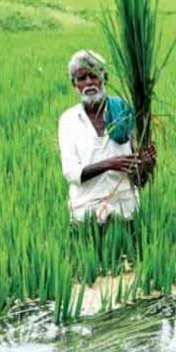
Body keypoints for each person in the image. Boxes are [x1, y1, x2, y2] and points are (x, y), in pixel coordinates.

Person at [59, 50, 156, 226]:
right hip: (86, 212)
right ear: (74, 83)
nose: (89, 82)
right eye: (82, 78)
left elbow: (141, 179)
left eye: (94, 75)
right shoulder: (68, 120)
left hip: (126, 210)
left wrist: (148, 163)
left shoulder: (125, 112)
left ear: (105, 77)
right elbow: (71, 172)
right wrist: (110, 164)